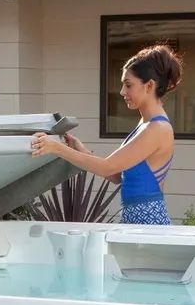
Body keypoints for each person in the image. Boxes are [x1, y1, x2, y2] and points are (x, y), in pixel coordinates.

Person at [31, 44, 182, 225]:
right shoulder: (145, 124)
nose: (122, 92)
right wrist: (83, 151)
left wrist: (56, 148)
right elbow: (117, 176)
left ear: (149, 85)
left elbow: (107, 167)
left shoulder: (157, 128)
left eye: (128, 85)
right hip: (135, 222)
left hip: (149, 225)